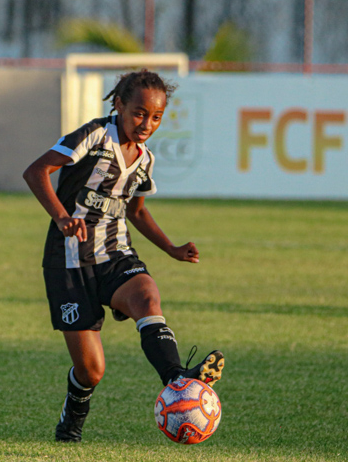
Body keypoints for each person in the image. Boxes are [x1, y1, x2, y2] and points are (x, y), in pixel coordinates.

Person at [22, 69, 224, 442]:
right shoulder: (94, 135)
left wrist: (172, 249)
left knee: (147, 296)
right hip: (69, 262)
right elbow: (36, 172)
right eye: (139, 113)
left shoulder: (144, 159)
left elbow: (136, 211)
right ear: (119, 105)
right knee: (91, 371)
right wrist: (63, 218)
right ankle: (71, 421)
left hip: (115, 252)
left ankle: (176, 379)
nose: (147, 123)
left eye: (157, 117)